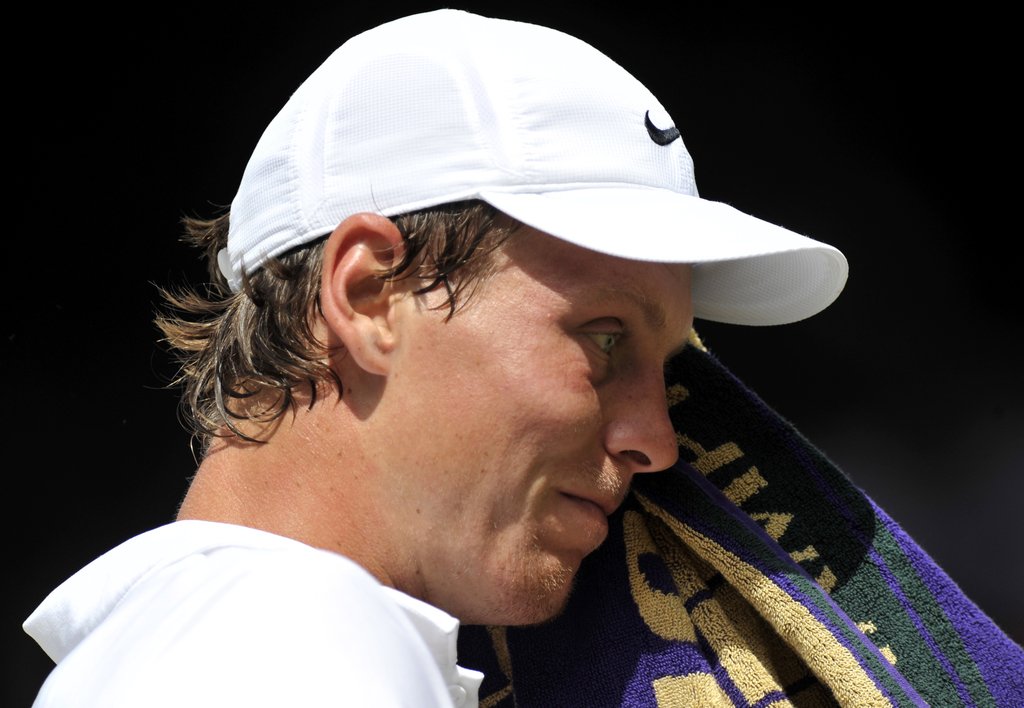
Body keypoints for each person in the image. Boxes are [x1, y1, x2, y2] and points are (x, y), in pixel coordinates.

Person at [22, 9, 1022, 708]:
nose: (660, 441)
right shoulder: (289, 640)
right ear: (368, 295)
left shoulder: (208, 637)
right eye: (604, 338)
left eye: (670, 368)